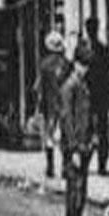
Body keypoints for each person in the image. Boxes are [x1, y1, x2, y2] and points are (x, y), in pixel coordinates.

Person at [57, 50, 94, 216]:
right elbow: (67, 121)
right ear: (76, 64)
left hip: (84, 145)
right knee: (74, 193)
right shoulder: (69, 87)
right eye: (83, 66)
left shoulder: (82, 85)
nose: (85, 70)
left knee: (81, 192)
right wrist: (73, 150)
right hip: (75, 148)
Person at [73, 19, 109, 173]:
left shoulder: (101, 49)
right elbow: (76, 72)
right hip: (87, 95)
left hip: (99, 95)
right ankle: (87, 162)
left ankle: (101, 164)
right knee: (87, 129)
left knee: (100, 130)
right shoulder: (82, 49)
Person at [37, 32, 69, 179]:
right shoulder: (67, 64)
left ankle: (50, 167)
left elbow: (42, 89)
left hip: (50, 105)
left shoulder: (44, 65)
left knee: (49, 137)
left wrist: (40, 106)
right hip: (65, 104)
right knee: (64, 136)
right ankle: (64, 168)